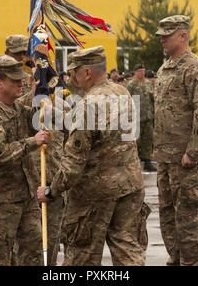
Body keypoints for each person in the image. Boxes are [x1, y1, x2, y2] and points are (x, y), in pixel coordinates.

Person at [37, 46, 146, 266]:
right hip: (130, 185)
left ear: (87, 72)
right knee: (127, 249)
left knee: (82, 255)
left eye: (74, 71)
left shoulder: (87, 104)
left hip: (95, 193)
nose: (71, 77)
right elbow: (106, 131)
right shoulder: (122, 92)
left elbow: (73, 162)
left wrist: (51, 191)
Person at [0, 54, 50, 266]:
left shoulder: (17, 108)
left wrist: (39, 95)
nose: (21, 83)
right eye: (15, 80)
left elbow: (35, 122)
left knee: (31, 256)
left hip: (25, 197)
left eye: (21, 79)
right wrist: (32, 142)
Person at [153, 15, 198, 266]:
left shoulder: (195, 69)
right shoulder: (164, 68)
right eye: (161, 36)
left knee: (188, 223)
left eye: (166, 36)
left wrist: (193, 152)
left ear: (183, 35)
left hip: (189, 163)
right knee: (168, 219)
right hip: (166, 159)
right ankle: (175, 260)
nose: (162, 40)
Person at [126, 64, 156, 172]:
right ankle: (135, 162)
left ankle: (147, 161)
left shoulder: (148, 83)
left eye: (143, 71)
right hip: (136, 117)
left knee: (148, 139)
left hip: (148, 116)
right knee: (136, 141)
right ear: (135, 72)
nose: (142, 73)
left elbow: (152, 98)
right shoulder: (131, 85)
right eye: (140, 71)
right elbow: (127, 100)